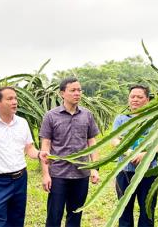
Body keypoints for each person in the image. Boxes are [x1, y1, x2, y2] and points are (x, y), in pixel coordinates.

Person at [0, 87, 48, 227]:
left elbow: (29, 148)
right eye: (9, 99)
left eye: (15, 98)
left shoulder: (22, 123)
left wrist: (39, 154)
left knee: (17, 220)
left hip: (20, 178)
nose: (14, 102)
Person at [40, 77, 100, 227]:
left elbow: (92, 142)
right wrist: (45, 174)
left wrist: (94, 168)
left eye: (79, 90)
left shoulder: (87, 115)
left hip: (81, 173)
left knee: (75, 215)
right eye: (72, 90)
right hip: (58, 174)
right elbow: (45, 146)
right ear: (62, 93)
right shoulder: (51, 116)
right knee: (54, 215)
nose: (77, 93)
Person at [112, 85, 158, 227]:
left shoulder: (157, 119)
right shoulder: (121, 119)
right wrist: (130, 153)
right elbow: (115, 140)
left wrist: (147, 154)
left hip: (149, 172)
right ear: (128, 99)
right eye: (132, 96)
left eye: (139, 97)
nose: (135, 99)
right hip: (125, 171)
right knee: (124, 210)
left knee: (147, 210)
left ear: (147, 100)